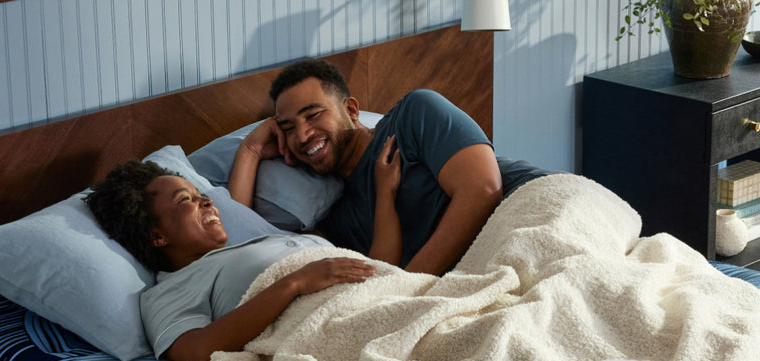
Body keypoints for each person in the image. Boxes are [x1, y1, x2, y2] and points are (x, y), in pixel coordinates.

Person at [230, 58, 549, 277]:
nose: (301, 135)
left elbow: (483, 190)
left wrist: (409, 288)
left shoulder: (413, 115)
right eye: (287, 127)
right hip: (487, 273)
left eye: (313, 115)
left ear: (351, 110)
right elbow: (241, 246)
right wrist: (251, 149)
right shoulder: (337, 222)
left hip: (536, 212)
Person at [84, 160, 374, 361]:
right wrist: (294, 283)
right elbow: (197, 352)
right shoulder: (167, 292)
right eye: (187, 200)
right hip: (342, 333)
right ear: (157, 235)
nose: (207, 203)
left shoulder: (259, 242)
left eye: (203, 196)